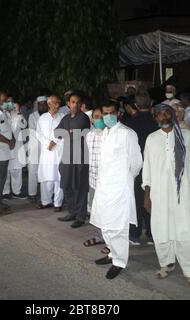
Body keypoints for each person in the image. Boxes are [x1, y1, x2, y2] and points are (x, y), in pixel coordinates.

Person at [142, 104, 190, 293]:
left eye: (167, 113)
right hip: (159, 193)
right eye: (160, 115)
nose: (164, 117)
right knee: (161, 228)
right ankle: (166, 263)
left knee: (185, 230)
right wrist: (147, 196)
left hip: (183, 193)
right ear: (156, 119)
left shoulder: (186, 136)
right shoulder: (151, 139)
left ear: (173, 115)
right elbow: (148, 169)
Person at [91, 102, 143, 280]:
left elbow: (136, 163)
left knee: (117, 227)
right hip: (104, 186)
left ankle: (119, 261)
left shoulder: (127, 134)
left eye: (111, 113)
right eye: (105, 113)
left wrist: (126, 179)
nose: (107, 116)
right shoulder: (105, 132)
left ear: (118, 113)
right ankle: (112, 253)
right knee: (105, 225)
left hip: (119, 188)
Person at [123, 95, 158, 245]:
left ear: (135, 105)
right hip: (155, 167)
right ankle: (152, 233)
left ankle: (135, 234)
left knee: (136, 200)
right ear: (151, 103)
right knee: (153, 200)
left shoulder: (129, 124)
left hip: (136, 167)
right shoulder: (157, 122)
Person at [57, 93, 91, 228]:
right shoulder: (65, 118)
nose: (75, 104)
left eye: (77, 102)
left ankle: (80, 217)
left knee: (79, 187)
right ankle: (72, 212)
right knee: (66, 185)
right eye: (72, 102)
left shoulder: (83, 118)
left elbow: (75, 134)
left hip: (80, 158)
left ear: (81, 104)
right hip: (67, 158)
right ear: (68, 104)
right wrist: (67, 132)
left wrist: (67, 133)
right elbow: (57, 132)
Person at [37, 95, 65, 211]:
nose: (58, 105)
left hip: (59, 150)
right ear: (49, 104)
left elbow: (65, 131)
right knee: (46, 177)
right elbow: (38, 133)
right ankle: (45, 201)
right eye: (55, 103)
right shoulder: (42, 118)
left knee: (59, 178)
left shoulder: (63, 117)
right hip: (47, 152)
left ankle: (58, 203)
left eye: (58, 102)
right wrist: (47, 143)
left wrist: (55, 142)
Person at [83, 107, 106, 248]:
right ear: (92, 119)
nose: (99, 120)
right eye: (96, 117)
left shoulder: (109, 135)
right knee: (95, 210)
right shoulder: (89, 135)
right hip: (92, 179)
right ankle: (98, 236)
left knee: (107, 211)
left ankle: (110, 242)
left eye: (101, 117)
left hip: (106, 180)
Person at [3, 101, 27, 199]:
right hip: (5, 145)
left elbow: (24, 125)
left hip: (16, 146)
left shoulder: (17, 114)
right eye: (7, 102)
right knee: (6, 170)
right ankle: (5, 192)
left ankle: (17, 192)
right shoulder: (1, 114)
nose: (10, 105)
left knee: (17, 170)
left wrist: (18, 112)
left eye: (11, 103)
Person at [27, 97, 48, 203]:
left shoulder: (49, 116)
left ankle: (46, 194)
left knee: (45, 169)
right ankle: (32, 193)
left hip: (46, 147)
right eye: (41, 104)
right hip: (35, 146)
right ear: (37, 105)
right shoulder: (32, 116)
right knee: (33, 170)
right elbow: (33, 131)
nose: (43, 106)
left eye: (45, 104)